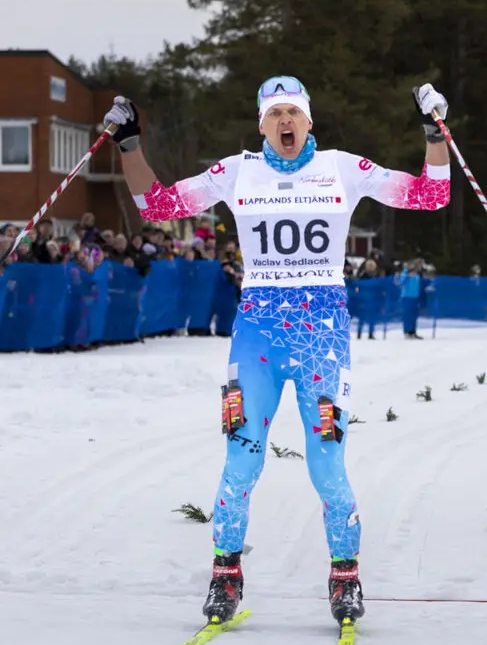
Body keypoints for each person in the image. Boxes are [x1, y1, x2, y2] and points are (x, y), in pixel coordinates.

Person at [101, 77, 452, 626]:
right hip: (258, 333)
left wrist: (435, 135)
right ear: (261, 123)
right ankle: (225, 573)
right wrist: (129, 147)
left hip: (322, 337)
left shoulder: (343, 167)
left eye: (293, 112)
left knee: (327, 463)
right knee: (242, 458)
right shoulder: (237, 171)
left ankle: (345, 575)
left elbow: (432, 195)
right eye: (274, 114)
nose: (285, 121)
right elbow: (158, 206)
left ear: (309, 120)